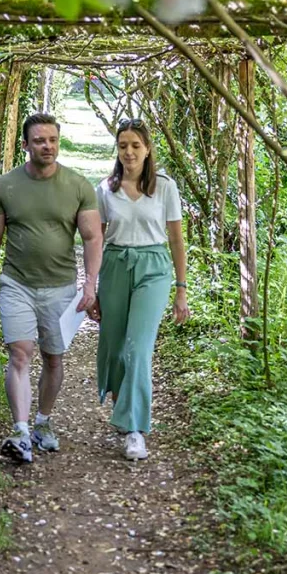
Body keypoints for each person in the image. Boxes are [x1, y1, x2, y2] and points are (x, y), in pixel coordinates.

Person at [0, 113, 102, 464]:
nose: (47, 146)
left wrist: (89, 283)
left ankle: (42, 423)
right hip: (16, 284)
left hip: (61, 287)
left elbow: (93, 237)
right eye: (39, 141)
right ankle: (19, 431)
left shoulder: (78, 186)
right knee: (19, 353)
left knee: (53, 357)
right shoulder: (6, 186)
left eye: (52, 140)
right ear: (25, 145)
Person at [90, 118, 190, 461]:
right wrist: (91, 286)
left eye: (135, 145)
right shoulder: (105, 189)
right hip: (115, 266)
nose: (129, 152)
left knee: (138, 348)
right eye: (123, 146)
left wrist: (181, 288)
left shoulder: (165, 187)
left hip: (153, 268)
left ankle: (135, 429)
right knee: (116, 347)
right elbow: (96, 240)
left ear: (148, 149)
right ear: (117, 151)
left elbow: (176, 239)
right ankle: (125, 408)